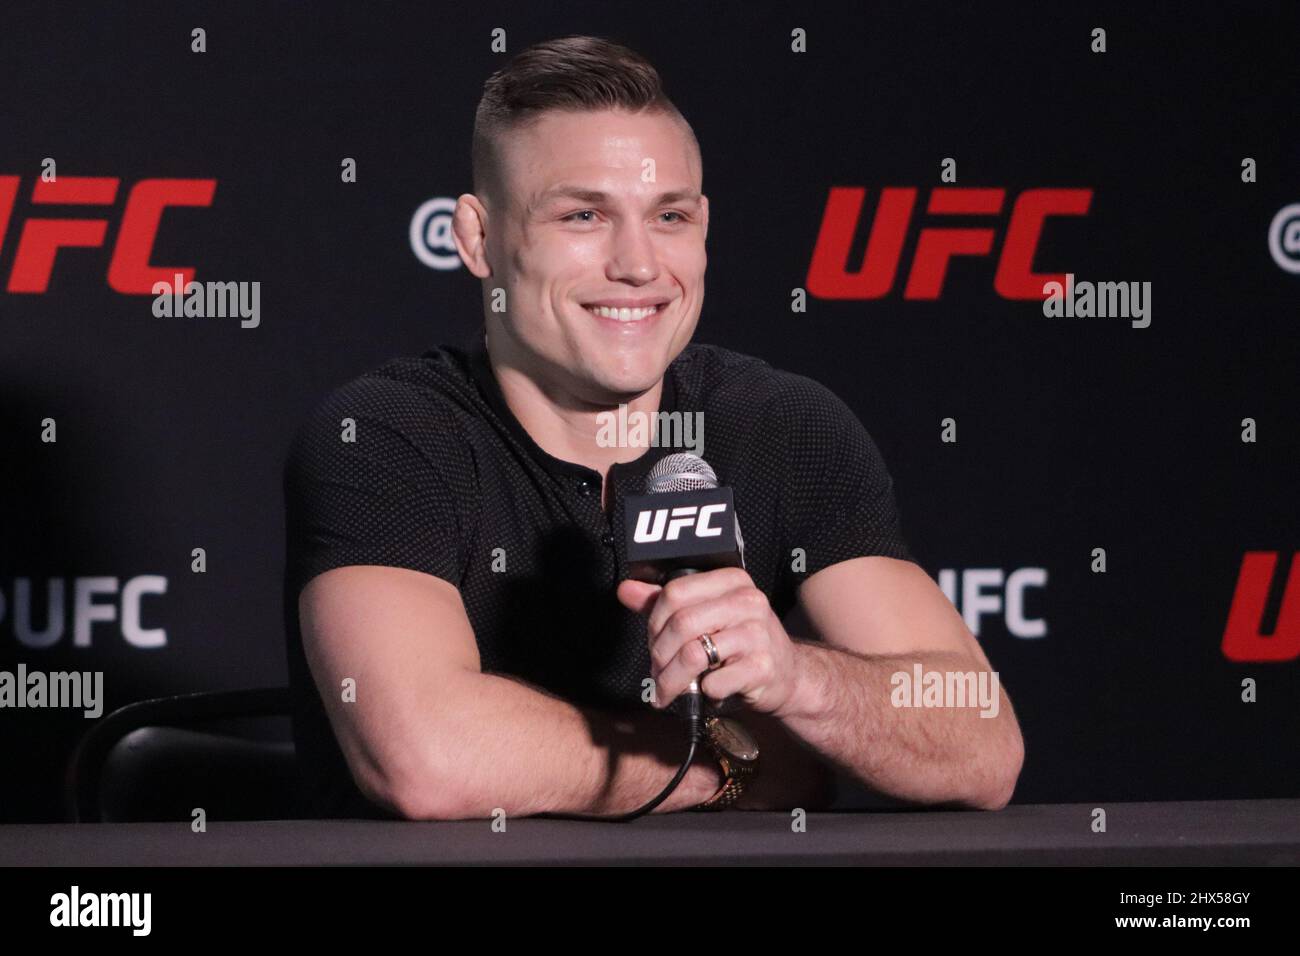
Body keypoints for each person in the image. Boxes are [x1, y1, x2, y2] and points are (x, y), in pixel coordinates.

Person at [282, 34, 1024, 820]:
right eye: (583, 216)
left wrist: (798, 679)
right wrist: (734, 767)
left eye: (668, 216)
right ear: (478, 238)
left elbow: (984, 743)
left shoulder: (783, 426)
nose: (638, 265)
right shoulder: (385, 437)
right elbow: (429, 759)